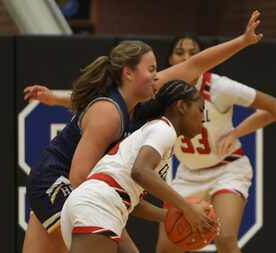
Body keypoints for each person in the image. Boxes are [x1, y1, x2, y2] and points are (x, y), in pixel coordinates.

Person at [22, 11, 263, 253]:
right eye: (151, 69)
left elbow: (195, 65)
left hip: (87, 190)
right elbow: (81, 179)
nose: (157, 75)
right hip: (59, 181)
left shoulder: (142, 96)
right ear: (128, 73)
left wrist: (242, 41)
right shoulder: (110, 114)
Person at [152, 34, 276, 253]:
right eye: (180, 52)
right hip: (188, 173)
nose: (186, 58)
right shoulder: (161, 93)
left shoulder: (219, 87)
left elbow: (272, 106)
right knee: (166, 248)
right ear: (170, 59)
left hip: (228, 168)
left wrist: (237, 133)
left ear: (205, 56)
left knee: (225, 238)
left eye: (193, 52)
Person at [60, 80, 217, 253]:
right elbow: (140, 172)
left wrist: (170, 216)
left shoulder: (156, 131)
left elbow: (130, 199)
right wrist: (187, 208)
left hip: (93, 202)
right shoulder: (164, 130)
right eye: (200, 110)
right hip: (98, 205)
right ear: (181, 106)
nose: (203, 118)